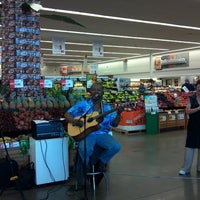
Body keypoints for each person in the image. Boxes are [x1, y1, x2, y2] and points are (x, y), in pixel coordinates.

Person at [65, 82, 122, 172]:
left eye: (98, 90)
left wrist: (119, 114)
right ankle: (86, 166)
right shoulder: (82, 104)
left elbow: (114, 124)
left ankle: (102, 161)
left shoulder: (107, 107)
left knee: (116, 147)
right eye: (94, 90)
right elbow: (67, 114)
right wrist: (74, 121)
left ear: (102, 93)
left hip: (102, 133)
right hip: (86, 134)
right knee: (85, 149)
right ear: (90, 92)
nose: (96, 92)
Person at [179, 79, 200, 175]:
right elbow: (187, 111)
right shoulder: (191, 98)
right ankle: (186, 168)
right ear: (196, 88)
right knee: (190, 147)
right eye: (199, 88)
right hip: (193, 126)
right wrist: (198, 108)